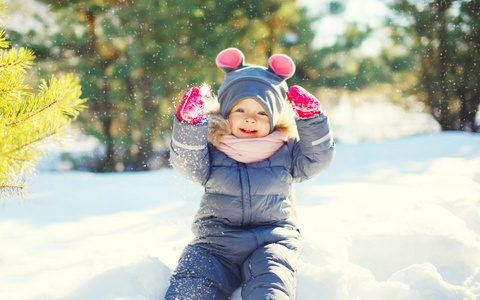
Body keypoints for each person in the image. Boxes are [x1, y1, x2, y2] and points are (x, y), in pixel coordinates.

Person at [165, 48, 335, 299]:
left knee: (271, 285)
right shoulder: (213, 148)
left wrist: (312, 119)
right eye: (240, 110)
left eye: (262, 112)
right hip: (215, 242)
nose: (250, 119)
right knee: (194, 282)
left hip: (272, 240)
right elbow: (188, 164)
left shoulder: (286, 150)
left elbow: (317, 159)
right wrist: (190, 126)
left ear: (274, 117)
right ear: (225, 115)